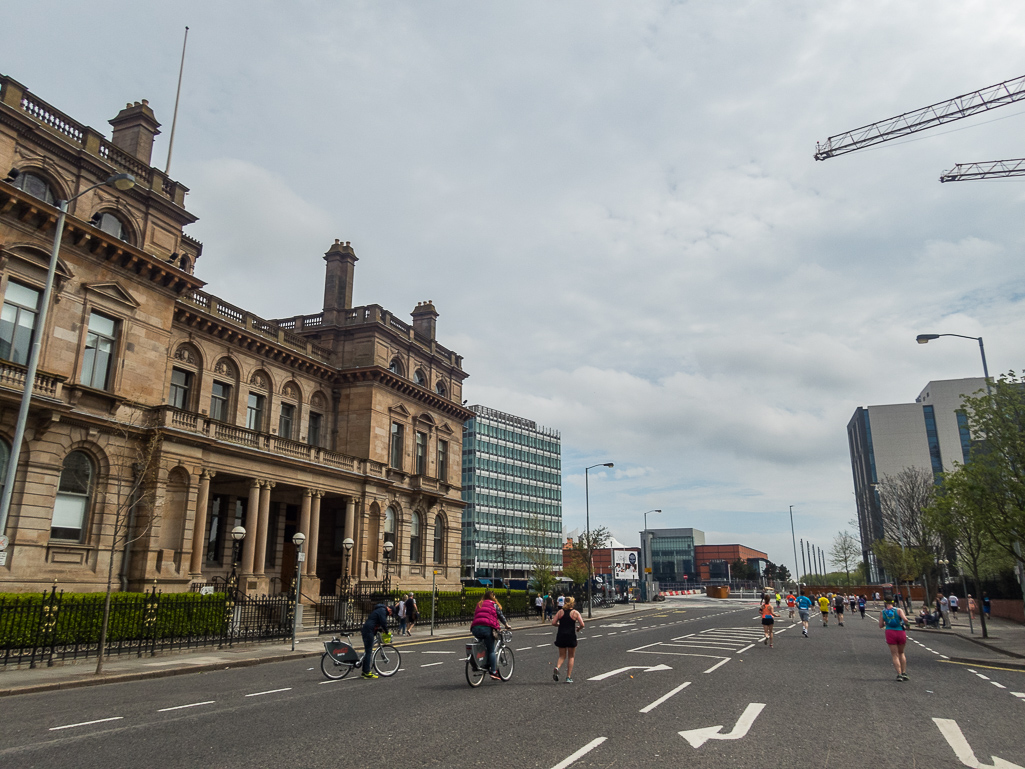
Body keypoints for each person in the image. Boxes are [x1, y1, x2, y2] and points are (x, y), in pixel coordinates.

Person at [470, 589, 512, 681]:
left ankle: (479, 664)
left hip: (475, 628)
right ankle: (493, 671)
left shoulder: (479, 604)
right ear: (492, 597)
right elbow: (500, 616)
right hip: (487, 628)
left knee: (481, 645)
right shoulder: (494, 604)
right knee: (491, 650)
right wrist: (506, 625)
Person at [552, 595, 585, 683]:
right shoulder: (575, 613)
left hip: (561, 635)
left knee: (562, 656)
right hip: (571, 635)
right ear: (572, 603)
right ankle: (568, 677)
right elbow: (582, 624)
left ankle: (557, 667)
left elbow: (553, 622)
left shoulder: (560, 612)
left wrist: (559, 625)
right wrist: (578, 628)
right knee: (571, 656)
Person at [879, 597, 910, 681]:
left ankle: (899, 674)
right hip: (900, 632)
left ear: (885, 603)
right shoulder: (899, 610)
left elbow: (881, 625)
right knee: (901, 653)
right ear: (893, 602)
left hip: (890, 632)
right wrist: (907, 625)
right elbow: (905, 619)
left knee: (894, 655)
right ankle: (904, 672)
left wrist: (886, 622)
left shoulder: (882, 612)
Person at [360, 602, 392, 679]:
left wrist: (380, 629)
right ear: (390, 609)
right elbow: (383, 622)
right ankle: (367, 672)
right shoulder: (383, 611)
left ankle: (364, 671)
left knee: (367, 651)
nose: (389, 615)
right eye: (390, 614)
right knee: (368, 651)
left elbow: (376, 621)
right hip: (369, 631)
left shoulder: (380, 610)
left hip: (367, 630)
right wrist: (387, 631)